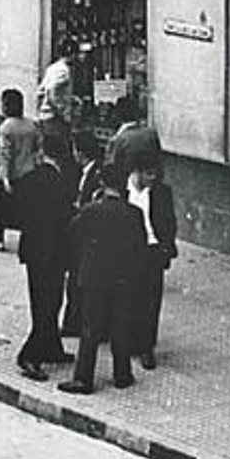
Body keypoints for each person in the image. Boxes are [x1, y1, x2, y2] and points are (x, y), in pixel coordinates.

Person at [58, 165, 145, 395]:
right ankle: (122, 374)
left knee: (90, 328)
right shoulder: (134, 213)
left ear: (103, 184)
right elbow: (140, 248)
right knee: (121, 325)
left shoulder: (91, 211)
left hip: (94, 277)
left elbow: (72, 235)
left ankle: (84, 378)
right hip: (123, 278)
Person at [13, 132, 76, 381]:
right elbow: (64, 217)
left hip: (34, 251)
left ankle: (51, 348)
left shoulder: (29, 178)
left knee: (43, 301)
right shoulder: (58, 181)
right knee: (49, 304)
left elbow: (18, 213)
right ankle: (30, 355)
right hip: (53, 252)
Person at [126, 149, 177, 371]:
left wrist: (165, 248)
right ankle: (127, 341)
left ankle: (147, 346)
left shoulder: (162, 193)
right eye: (148, 174)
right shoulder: (121, 190)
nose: (153, 178)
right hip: (127, 252)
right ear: (136, 172)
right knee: (128, 298)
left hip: (152, 251)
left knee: (150, 300)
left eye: (155, 174)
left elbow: (169, 223)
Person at [0, 88, 43, 252]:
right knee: (27, 208)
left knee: (0, 209)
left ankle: (0, 240)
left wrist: (5, 177)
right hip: (29, 171)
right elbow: (38, 149)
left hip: (11, 173)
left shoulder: (6, 127)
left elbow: (5, 155)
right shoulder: (31, 125)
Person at [60, 134, 105, 338]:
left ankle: (75, 324)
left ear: (81, 153)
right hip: (84, 237)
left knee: (77, 284)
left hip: (88, 239)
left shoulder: (96, 175)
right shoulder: (86, 172)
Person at [36, 38, 78, 158]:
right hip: (55, 119)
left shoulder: (52, 68)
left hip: (45, 117)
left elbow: (41, 91)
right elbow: (52, 90)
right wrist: (61, 111)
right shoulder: (63, 70)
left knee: (49, 152)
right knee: (59, 153)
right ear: (72, 54)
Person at [106, 121, 164, 186]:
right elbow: (159, 156)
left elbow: (114, 162)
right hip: (151, 175)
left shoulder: (122, 137)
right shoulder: (151, 133)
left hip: (129, 177)